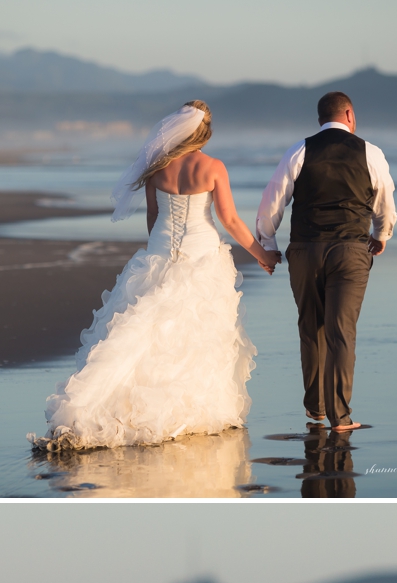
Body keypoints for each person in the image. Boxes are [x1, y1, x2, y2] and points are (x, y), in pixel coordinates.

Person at [32, 101, 275, 454]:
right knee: (194, 337)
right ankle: (186, 409)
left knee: (144, 330)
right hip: (201, 257)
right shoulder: (213, 167)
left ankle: (102, 405)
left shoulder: (157, 168)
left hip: (158, 253)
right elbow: (230, 220)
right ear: (204, 134)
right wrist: (262, 255)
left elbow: (153, 216)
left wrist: (160, 252)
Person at [255, 90, 397, 433]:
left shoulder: (299, 150)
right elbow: (385, 202)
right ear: (349, 114)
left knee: (311, 326)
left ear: (320, 118)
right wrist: (381, 235)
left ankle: (316, 406)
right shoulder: (370, 152)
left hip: (305, 250)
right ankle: (340, 417)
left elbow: (272, 202)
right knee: (341, 331)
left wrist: (268, 245)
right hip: (350, 250)